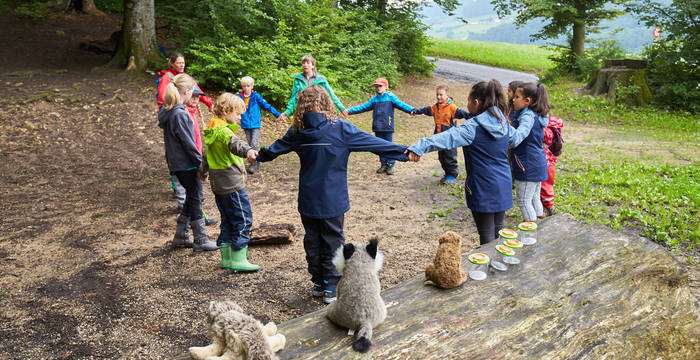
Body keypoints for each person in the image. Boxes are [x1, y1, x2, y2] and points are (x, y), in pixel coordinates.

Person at [252, 85, 409, 304]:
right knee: (333, 242)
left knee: (313, 240)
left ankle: (319, 283)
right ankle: (330, 288)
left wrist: (257, 155)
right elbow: (375, 143)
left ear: (301, 107)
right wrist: (405, 152)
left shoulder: (297, 131)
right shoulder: (340, 129)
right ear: (326, 104)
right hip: (332, 200)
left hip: (308, 198)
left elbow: (273, 150)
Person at [407, 79, 512, 245]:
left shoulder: (473, 127)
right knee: (499, 232)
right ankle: (501, 267)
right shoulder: (505, 123)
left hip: (482, 187)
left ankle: (488, 269)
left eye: (469, 101)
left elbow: (445, 138)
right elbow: (516, 139)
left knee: (486, 239)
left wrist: (419, 147)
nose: (468, 104)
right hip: (503, 184)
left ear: (476, 102)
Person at [158, 74, 218, 252]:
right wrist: (201, 166)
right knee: (196, 198)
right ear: (185, 91)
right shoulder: (179, 114)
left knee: (192, 197)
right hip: (187, 164)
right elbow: (188, 144)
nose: (193, 94)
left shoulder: (169, 110)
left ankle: (181, 235)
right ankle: (200, 239)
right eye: (192, 90)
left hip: (177, 163)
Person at [201, 93, 260, 271]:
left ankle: (226, 258)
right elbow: (236, 144)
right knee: (243, 219)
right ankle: (239, 258)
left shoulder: (212, 130)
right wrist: (249, 150)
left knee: (227, 219)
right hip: (232, 184)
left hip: (218, 185)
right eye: (238, 114)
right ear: (226, 111)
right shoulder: (224, 132)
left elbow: (206, 155)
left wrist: (202, 171)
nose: (240, 117)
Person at [346, 77, 414, 175]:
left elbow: (402, 105)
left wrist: (412, 110)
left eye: (380, 86)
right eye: (376, 86)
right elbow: (362, 107)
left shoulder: (391, 97)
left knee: (389, 146)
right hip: (377, 127)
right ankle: (383, 164)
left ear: (386, 87)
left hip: (388, 127)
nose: (378, 88)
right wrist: (349, 111)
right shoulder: (374, 100)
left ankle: (390, 164)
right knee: (379, 147)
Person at [410, 84, 469, 184]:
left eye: (441, 95)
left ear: (447, 95)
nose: (438, 97)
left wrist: (476, 118)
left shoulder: (452, 108)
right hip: (438, 137)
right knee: (442, 157)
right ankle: (447, 173)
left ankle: (452, 174)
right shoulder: (435, 107)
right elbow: (425, 110)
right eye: (437, 95)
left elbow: (465, 114)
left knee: (450, 157)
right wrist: (416, 111)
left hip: (450, 139)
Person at [509, 82, 550, 222]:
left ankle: (533, 231)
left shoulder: (527, 116)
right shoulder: (537, 114)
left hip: (527, 164)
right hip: (537, 162)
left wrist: (505, 130)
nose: (513, 100)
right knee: (533, 198)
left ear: (527, 101)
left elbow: (516, 138)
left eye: (517, 97)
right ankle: (541, 225)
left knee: (524, 201)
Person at [278, 55, 348, 122]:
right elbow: (293, 98)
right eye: (303, 63)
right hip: (303, 111)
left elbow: (331, 95)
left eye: (308, 63)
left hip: (319, 111)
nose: (305, 65)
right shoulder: (298, 80)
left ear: (313, 66)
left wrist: (341, 108)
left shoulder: (321, 79)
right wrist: (286, 113)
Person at [237, 76, 281, 174]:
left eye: (248, 86)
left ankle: (255, 162)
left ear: (252, 86)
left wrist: (277, 114)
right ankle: (255, 159)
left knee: (254, 143)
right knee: (250, 143)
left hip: (255, 123)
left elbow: (266, 105)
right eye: (244, 86)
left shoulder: (255, 96)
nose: (246, 88)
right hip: (245, 124)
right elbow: (234, 108)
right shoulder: (239, 97)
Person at [541, 115, 564, 216]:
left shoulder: (544, 128)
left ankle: (548, 208)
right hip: (550, 159)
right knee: (547, 185)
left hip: (544, 161)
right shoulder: (552, 123)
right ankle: (548, 207)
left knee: (544, 186)